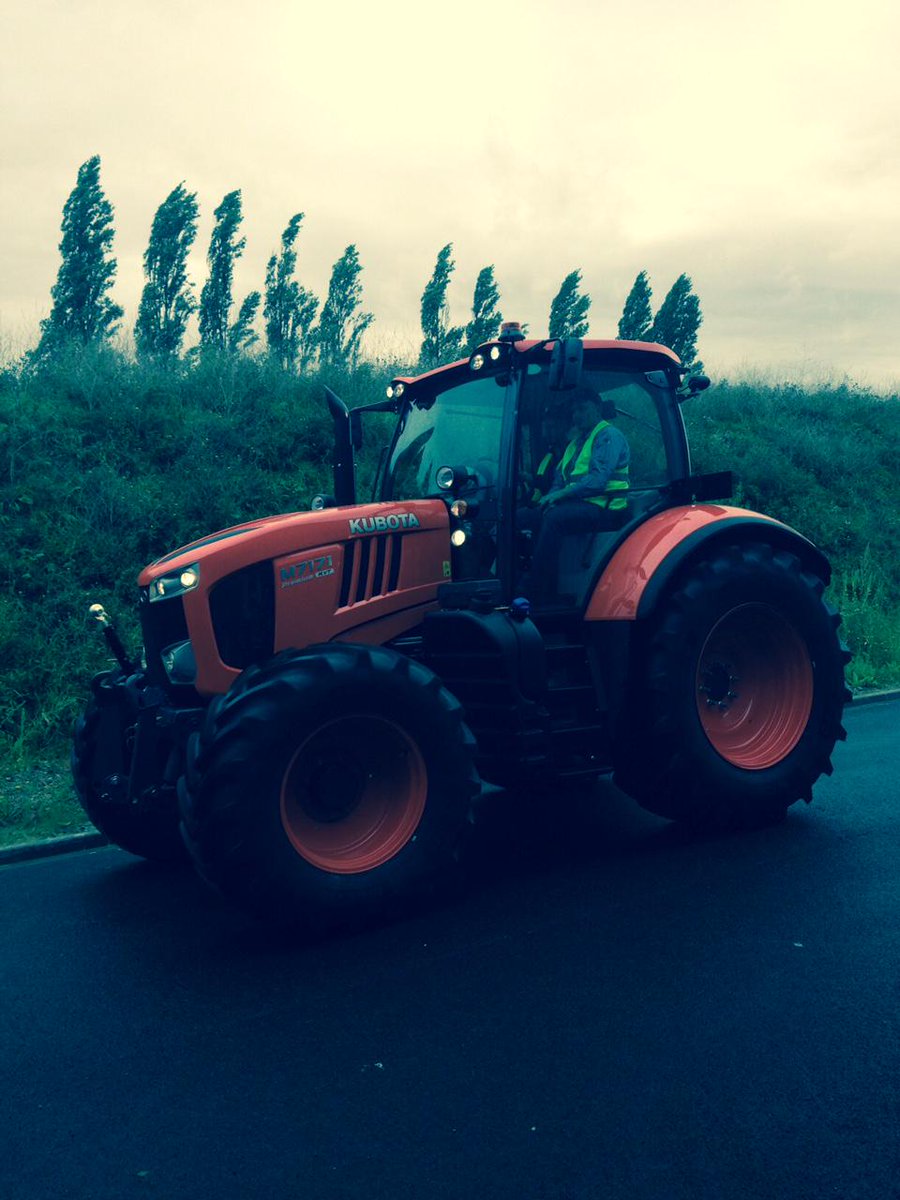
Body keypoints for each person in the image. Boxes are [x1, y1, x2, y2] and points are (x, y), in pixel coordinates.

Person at [521, 387, 630, 602]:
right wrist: (548, 500)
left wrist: (559, 496)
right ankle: (517, 575)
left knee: (554, 519)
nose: (576, 415)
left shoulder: (608, 436)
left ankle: (538, 590)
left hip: (605, 507)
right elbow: (559, 480)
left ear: (597, 408)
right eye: (574, 411)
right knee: (522, 516)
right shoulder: (575, 443)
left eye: (582, 409)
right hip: (580, 505)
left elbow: (598, 481)